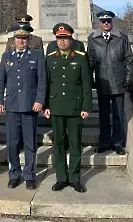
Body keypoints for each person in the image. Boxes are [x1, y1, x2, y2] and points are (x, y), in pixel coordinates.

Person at [0, 23, 46, 190]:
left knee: (30, 143)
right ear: (14, 40)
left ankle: (30, 175)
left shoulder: (37, 56)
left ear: (28, 40)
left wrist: (39, 100)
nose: (21, 41)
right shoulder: (6, 57)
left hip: (30, 106)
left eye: (24, 38)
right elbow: (0, 81)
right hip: (11, 106)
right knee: (12, 143)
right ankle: (14, 174)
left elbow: (42, 81)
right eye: (18, 38)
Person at [44, 24, 92, 193]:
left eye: (65, 38)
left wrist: (86, 106)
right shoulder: (50, 58)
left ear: (71, 39)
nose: (62, 41)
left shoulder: (80, 57)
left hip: (75, 108)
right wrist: (46, 105)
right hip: (56, 108)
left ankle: (75, 179)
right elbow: (47, 84)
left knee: (75, 145)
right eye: (59, 38)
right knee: (58, 145)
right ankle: (61, 178)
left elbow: (86, 84)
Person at [87, 11, 133, 156]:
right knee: (104, 114)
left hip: (118, 81)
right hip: (102, 82)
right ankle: (104, 142)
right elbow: (90, 61)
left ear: (112, 22)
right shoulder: (93, 39)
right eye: (103, 21)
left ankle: (118, 143)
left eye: (108, 21)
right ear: (99, 23)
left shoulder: (121, 38)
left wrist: (128, 78)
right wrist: (91, 79)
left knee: (118, 115)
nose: (106, 23)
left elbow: (129, 59)